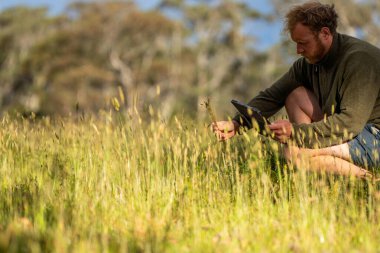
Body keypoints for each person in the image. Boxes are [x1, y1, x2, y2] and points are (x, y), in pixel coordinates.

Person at [212, 1, 380, 178]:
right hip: (355, 131)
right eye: (296, 43)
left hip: (374, 136)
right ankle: (320, 166)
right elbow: (273, 96)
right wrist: (236, 124)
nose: (298, 50)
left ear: (325, 33)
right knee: (296, 96)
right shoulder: (308, 64)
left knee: (295, 155)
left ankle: (370, 183)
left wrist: (295, 133)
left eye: (303, 43)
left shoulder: (359, 60)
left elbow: (349, 123)